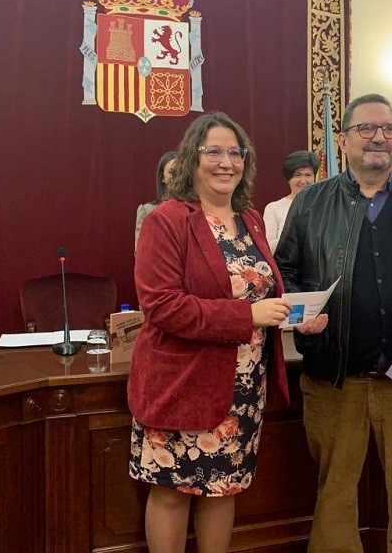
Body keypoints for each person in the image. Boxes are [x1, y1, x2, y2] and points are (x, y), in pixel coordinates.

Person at [275, 93, 392, 553]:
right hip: (334, 378)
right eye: (366, 128)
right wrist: (300, 317)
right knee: (334, 496)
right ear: (342, 140)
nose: (379, 137)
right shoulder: (310, 203)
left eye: (388, 129)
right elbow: (283, 272)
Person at [128, 112, 292, 553]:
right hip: (183, 384)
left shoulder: (251, 219)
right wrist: (248, 316)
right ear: (192, 158)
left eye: (235, 153)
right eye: (213, 152)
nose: (226, 162)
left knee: (224, 488)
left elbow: (261, 292)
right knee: (172, 491)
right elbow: (162, 306)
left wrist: (293, 315)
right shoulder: (167, 219)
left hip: (242, 387)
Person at [263, 150, 320, 252]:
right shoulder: (273, 208)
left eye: (308, 175)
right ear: (289, 178)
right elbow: (267, 248)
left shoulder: (323, 205)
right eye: (297, 175)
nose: (303, 181)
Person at [134, 151, 176, 251]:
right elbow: (140, 251)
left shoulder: (192, 210)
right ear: (162, 178)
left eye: (180, 172)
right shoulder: (147, 211)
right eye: (171, 172)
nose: (176, 177)